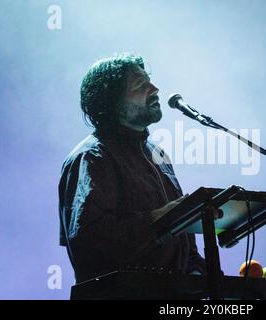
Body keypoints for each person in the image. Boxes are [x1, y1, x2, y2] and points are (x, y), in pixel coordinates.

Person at [58, 53, 205, 288]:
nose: (155, 88)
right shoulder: (92, 157)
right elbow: (88, 241)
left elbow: (183, 248)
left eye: (150, 80)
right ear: (111, 101)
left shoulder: (157, 155)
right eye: (140, 85)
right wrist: (159, 217)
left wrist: (212, 279)